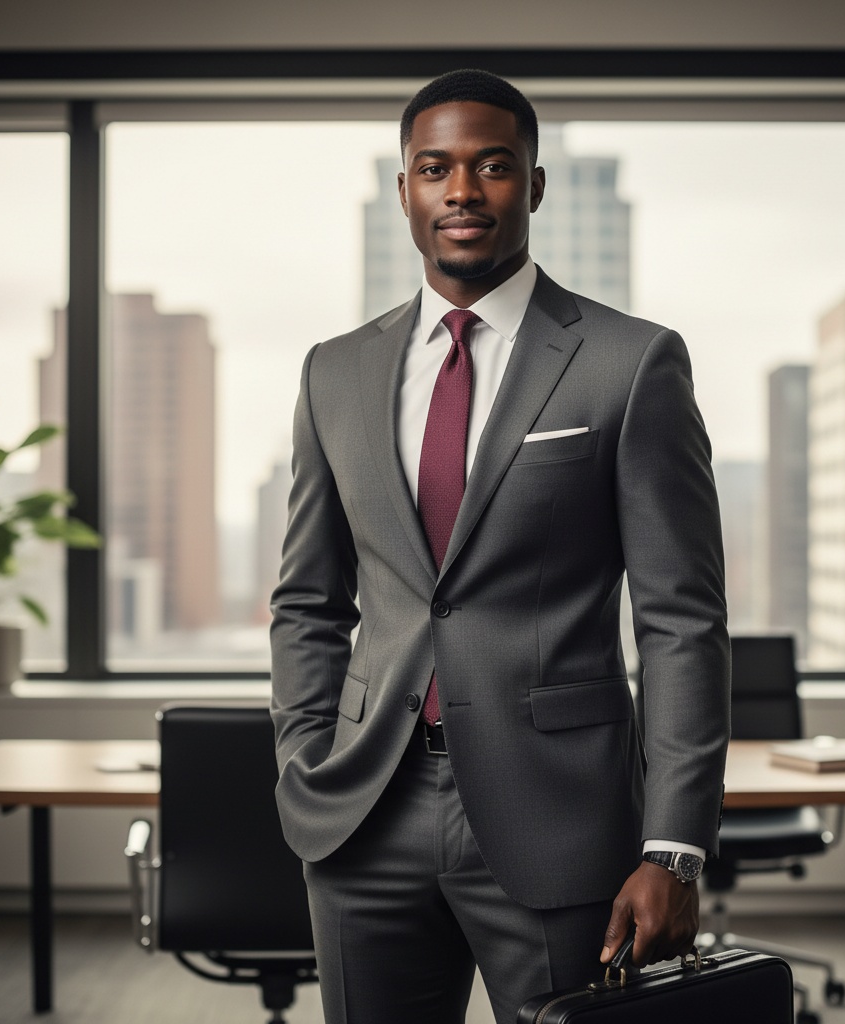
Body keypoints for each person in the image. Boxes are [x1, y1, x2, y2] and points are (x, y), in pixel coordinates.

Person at [270, 68, 730, 1024]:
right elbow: (309, 601)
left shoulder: (629, 362)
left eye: (492, 166)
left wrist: (674, 846)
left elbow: (681, 621)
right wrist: (304, 751)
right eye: (434, 168)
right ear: (405, 189)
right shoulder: (335, 372)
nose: (462, 191)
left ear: (534, 184)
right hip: (363, 812)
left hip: (560, 819)